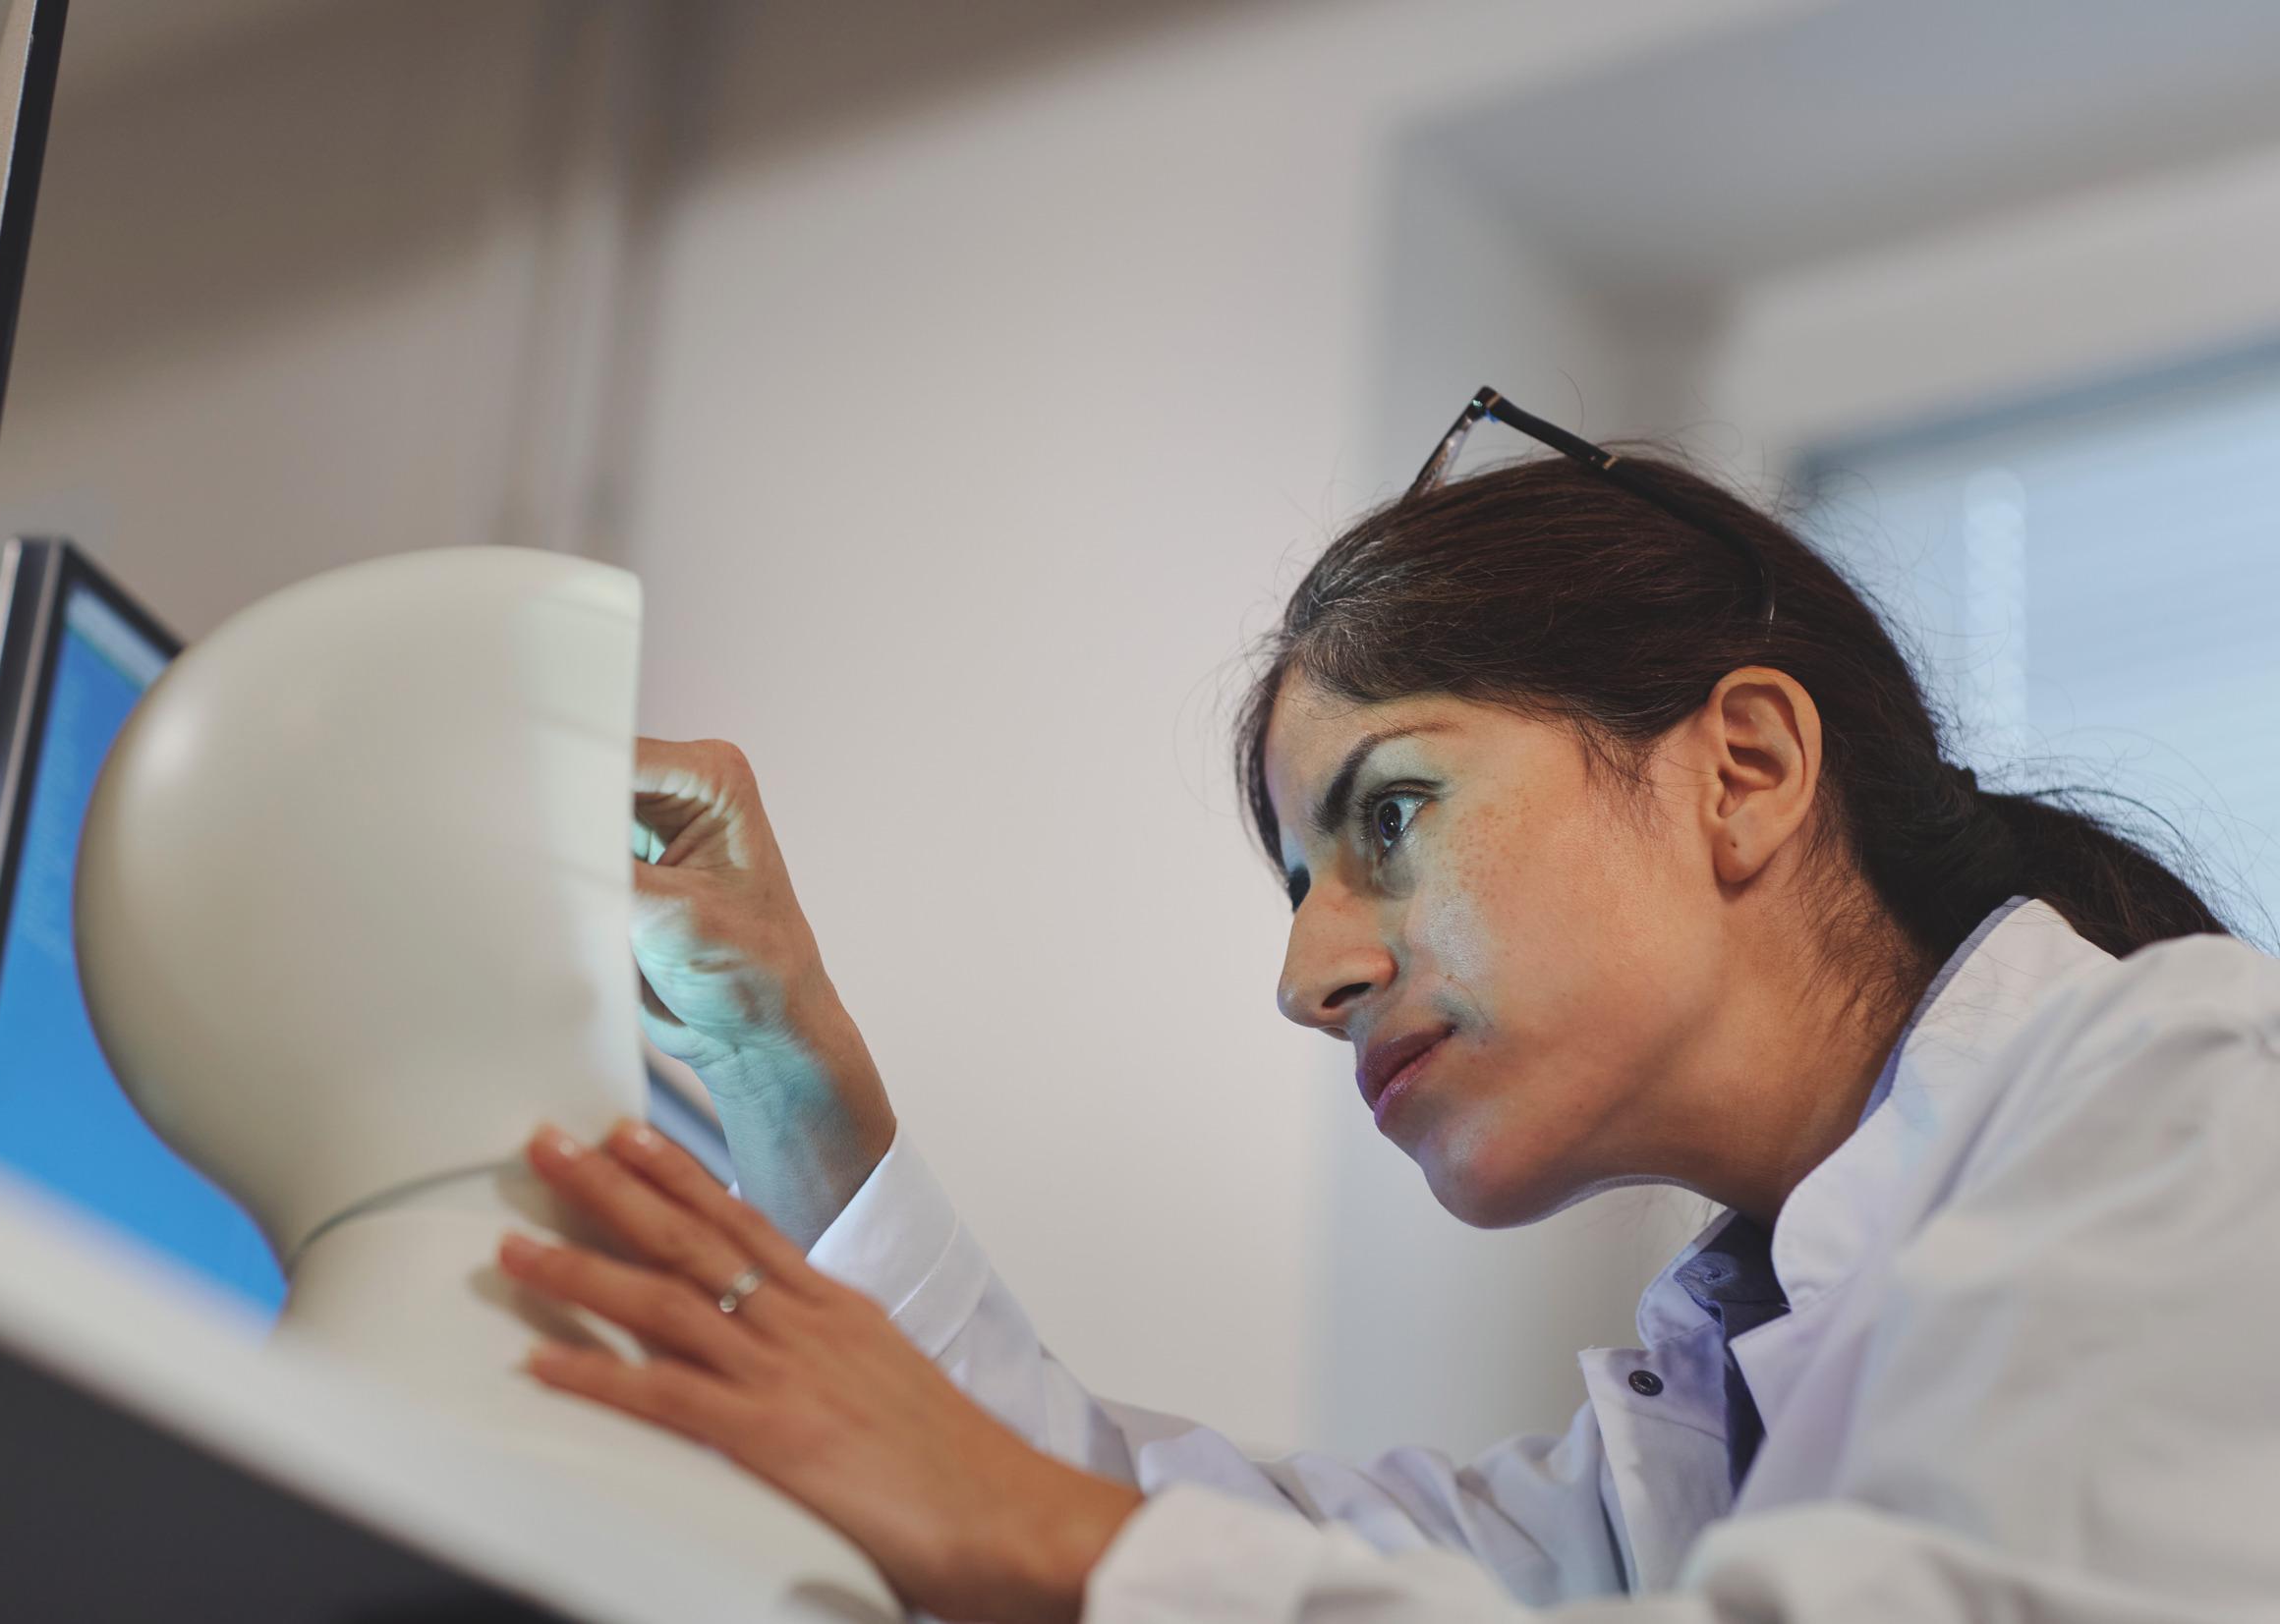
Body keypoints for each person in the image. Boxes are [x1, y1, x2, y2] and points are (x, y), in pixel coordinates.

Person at [494, 390, 2280, 1623]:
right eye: (1299, 884)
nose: (1308, 974)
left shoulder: (2194, 1094)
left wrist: (1051, 1539)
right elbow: (1161, 1533)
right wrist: (768, 1044)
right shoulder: (1669, 1455)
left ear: (1743, 765)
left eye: (1392, 816)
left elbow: (1082, 1544)